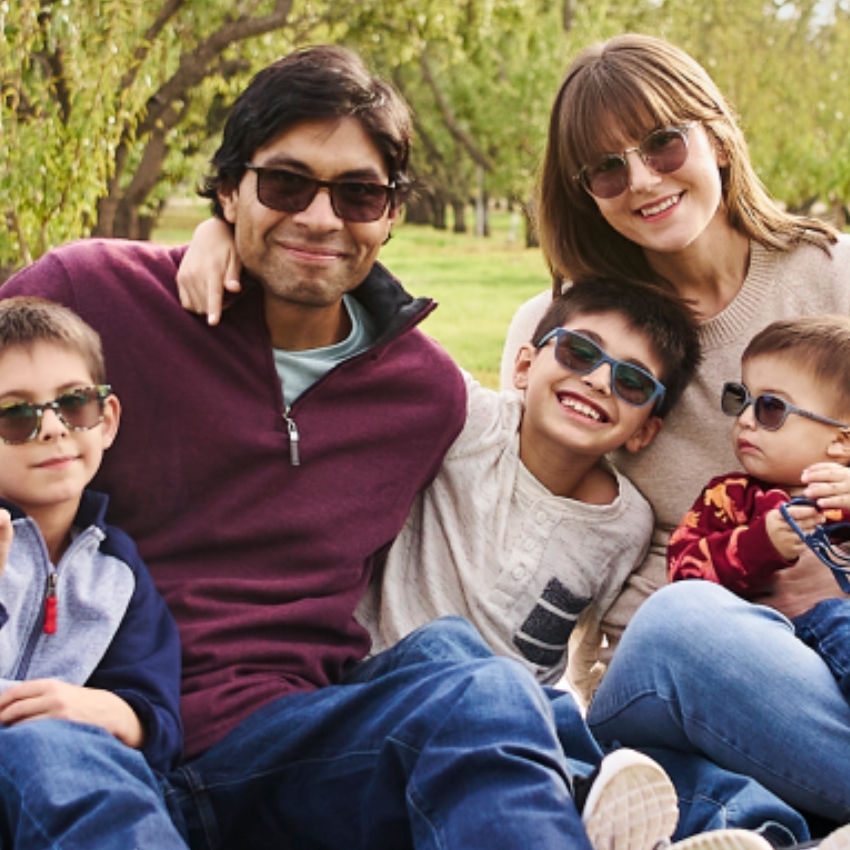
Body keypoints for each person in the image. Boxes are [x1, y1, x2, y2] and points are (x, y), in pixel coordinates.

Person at [0, 44, 719, 850]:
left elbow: (552, 448)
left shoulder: (423, 394)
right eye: (285, 184)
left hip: (286, 745)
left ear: (390, 215)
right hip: (74, 722)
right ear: (229, 186)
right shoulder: (90, 294)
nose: (320, 217)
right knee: (48, 756)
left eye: (358, 194)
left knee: (476, 689)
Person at [497, 31, 850, 831]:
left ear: (717, 137)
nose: (643, 181)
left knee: (722, 810)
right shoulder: (576, 333)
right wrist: (222, 228)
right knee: (683, 619)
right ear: (584, 191)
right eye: (607, 168)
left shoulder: (832, 275)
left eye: (662, 143)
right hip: (675, 669)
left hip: (831, 665)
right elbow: (512, 520)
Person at [358, 275, 700, 702]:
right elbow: (384, 326)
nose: (597, 380)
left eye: (632, 382)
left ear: (644, 432)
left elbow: (590, 647)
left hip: (517, 715)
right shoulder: (471, 423)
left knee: (550, 710)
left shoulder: (626, 525)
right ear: (524, 367)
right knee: (462, 657)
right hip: (391, 684)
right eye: (579, 352)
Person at [0, 297, 186, 848]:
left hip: (65, 790)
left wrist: (105, 711)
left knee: (78, 761)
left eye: (74, 405)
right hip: (32, 768)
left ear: (105, 422)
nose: (54, 429)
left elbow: (158, 719)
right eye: (15, 414)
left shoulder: (117, 572)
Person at [668, 316, 850, 702]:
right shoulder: (730, 497)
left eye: (770, 408)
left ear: (840, 442)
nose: (745, 420)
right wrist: (758, 545)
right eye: (741, 399)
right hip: (765, 653)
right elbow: (682, 578)